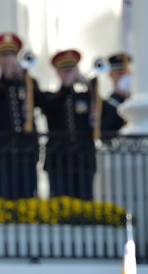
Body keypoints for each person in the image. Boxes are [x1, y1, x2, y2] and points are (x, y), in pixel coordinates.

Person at [0, 32, 44, 199]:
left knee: (28, 196)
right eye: (5, 55)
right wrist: (8, 79)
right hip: (2, 152)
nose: (10, 59)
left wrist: (25, 78)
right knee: (3, 197)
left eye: (13, 54)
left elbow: (45, 103)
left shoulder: (29, 84)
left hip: (27, 150)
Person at [43, 49, 97, 200]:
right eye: (64, 71)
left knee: (85, 203)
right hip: (58, 161)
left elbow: (103, 110)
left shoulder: (86, 97)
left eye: (71, 70)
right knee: (60, 204)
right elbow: (49, 107)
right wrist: (66, 87)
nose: (68, 74)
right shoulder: (50, 97)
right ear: (58, 73)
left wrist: (88, 84)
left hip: (83, 159)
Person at [100, 52, 132, 132]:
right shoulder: (106, 105)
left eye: (125, 73)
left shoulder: (136, 100)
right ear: (110, 74)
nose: (122, 77)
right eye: (118, 73)